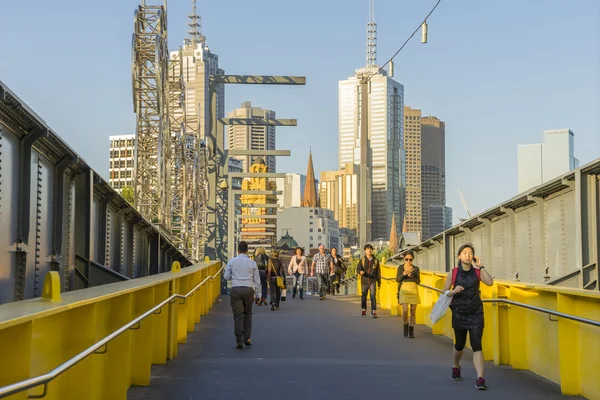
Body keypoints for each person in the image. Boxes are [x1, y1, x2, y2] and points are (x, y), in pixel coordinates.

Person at [443, 243, 494, 390]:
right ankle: (455, 365)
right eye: (464, 253)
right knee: (459, 344)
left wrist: (481, 266)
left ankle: (480, 379)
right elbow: (444, 292)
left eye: (470, 253)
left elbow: (490, 282)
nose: (468, 255)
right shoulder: (453, 273)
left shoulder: (477, 272)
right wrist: (453, 291)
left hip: (476, 312)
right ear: (459, 256)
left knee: (477, 344)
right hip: (459, 312)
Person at [224, 241, 261, 349]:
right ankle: (247, 338)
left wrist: (235, 277)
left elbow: (226, 276)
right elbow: (257, 280)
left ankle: (239, 340)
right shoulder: (252, 263)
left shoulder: (232, 261)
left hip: (236, 289)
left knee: (238, 316)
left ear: (238, 250)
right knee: (248, 313)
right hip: (248, 289)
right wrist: (259, 295)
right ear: (247, 250)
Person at [396, 250, 421, 338]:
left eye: (410, 259)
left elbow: (418, 281)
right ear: (404, 259)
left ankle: (411, 328)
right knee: (405, 310)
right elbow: (397, 279)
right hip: (404, 289)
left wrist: (412, 275)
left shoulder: (416, 269)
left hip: (413, 288)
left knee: (413, 311)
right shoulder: (400, 267)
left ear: (413, 259)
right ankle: (405, 324)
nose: (408, 261)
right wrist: (403, 274)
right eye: (406, 259)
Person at [357, 244, 381, 318]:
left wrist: (379, 282)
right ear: (365, 251)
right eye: (367, 249)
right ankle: (363, 310)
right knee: (364, 296)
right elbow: (358, 268)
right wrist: (360, 271)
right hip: (364, 280)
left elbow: (378, 272)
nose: (369, 250)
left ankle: (374, 311)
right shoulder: (362, 260)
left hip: (373, 280)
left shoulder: (376, 261)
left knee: (373, 296)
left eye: (370, 249)